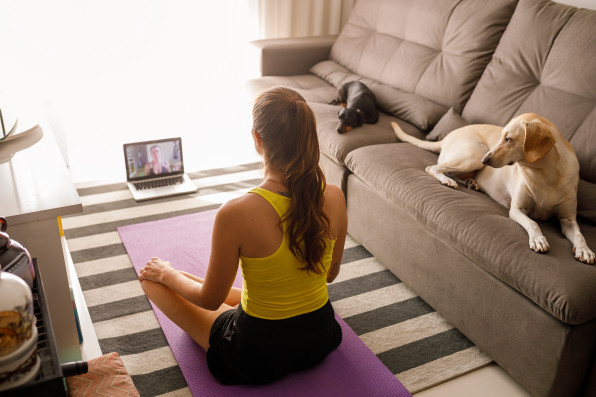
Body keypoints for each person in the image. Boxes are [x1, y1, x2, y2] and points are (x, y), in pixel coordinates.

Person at [138, 87, 348, 384]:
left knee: (151, 278)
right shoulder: (336, 197)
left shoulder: (236, 212)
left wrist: (167, 275)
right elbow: (329, 275)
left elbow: (209, 300)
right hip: (321, 337)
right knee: (186, 279)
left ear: (257, 139)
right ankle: (174, 275)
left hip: (254, 355)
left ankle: (168, 274)